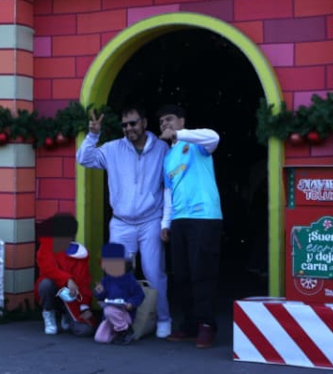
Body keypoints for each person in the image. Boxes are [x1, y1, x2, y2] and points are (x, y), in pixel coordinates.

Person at [76, 104, 172, 337]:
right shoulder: (112, 148)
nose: (129, 128)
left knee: (153, 272)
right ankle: (118, 322)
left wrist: (165, 222)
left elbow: (170, 185)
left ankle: (163, 319)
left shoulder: (162, 148)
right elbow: (84, 158)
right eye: (125, 125)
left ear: (144, 123)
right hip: (121, 222)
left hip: (150, 220)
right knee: (116, 273)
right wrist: (93, 134)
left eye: (133, 123)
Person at [158, 104, 223, 349]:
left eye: (170, 119)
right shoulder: (167, 157)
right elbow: (168, 192)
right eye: (161, 122)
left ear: (182, 121)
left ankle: (207, 325)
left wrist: (179, 134)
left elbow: (214, 137)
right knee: (182, 275)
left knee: (202, 272)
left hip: (204, 217)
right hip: (179, 220)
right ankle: (189, 325)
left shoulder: (197, 143)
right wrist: (165, 223)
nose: (165, 124)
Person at [35, 214, 94, 336]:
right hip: (53, 293)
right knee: (46, 284)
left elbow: (84, 283)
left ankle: (66, 315)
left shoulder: (80, 254)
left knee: (85, 330)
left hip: (72, 299)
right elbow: (48, 269)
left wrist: (85, 307)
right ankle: (49, 314)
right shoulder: (46, 247)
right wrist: (68, 280)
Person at [93, 242, 146, 345]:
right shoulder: (106, 279)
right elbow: (101, 297)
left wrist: (131, 303)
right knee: (100, 338)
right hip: (109, 316)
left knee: (109, 310)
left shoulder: (129, 279)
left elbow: (139, 294)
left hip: (124, 313)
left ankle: (125, 330)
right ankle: (118, 332)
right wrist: (99, 291)